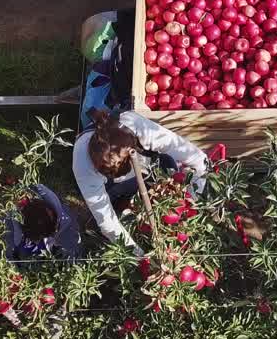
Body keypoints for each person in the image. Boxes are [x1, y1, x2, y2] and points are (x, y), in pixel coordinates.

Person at [72, 108, 208, 255]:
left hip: (148, 164)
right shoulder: (83, 165)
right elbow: (107, 222)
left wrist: (192, 201)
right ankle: (123, 200)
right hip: (111, 184)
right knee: (115, 211)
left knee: (168, 165)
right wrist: (138, 255)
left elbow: (200, 160)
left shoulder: (139, 128)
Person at [3, 184, 82, 263]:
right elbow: (14, 239)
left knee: (67, 251)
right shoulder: (16, 212)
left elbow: (72, 253)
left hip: (58, 229)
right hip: (28, 227)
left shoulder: (67, 226)